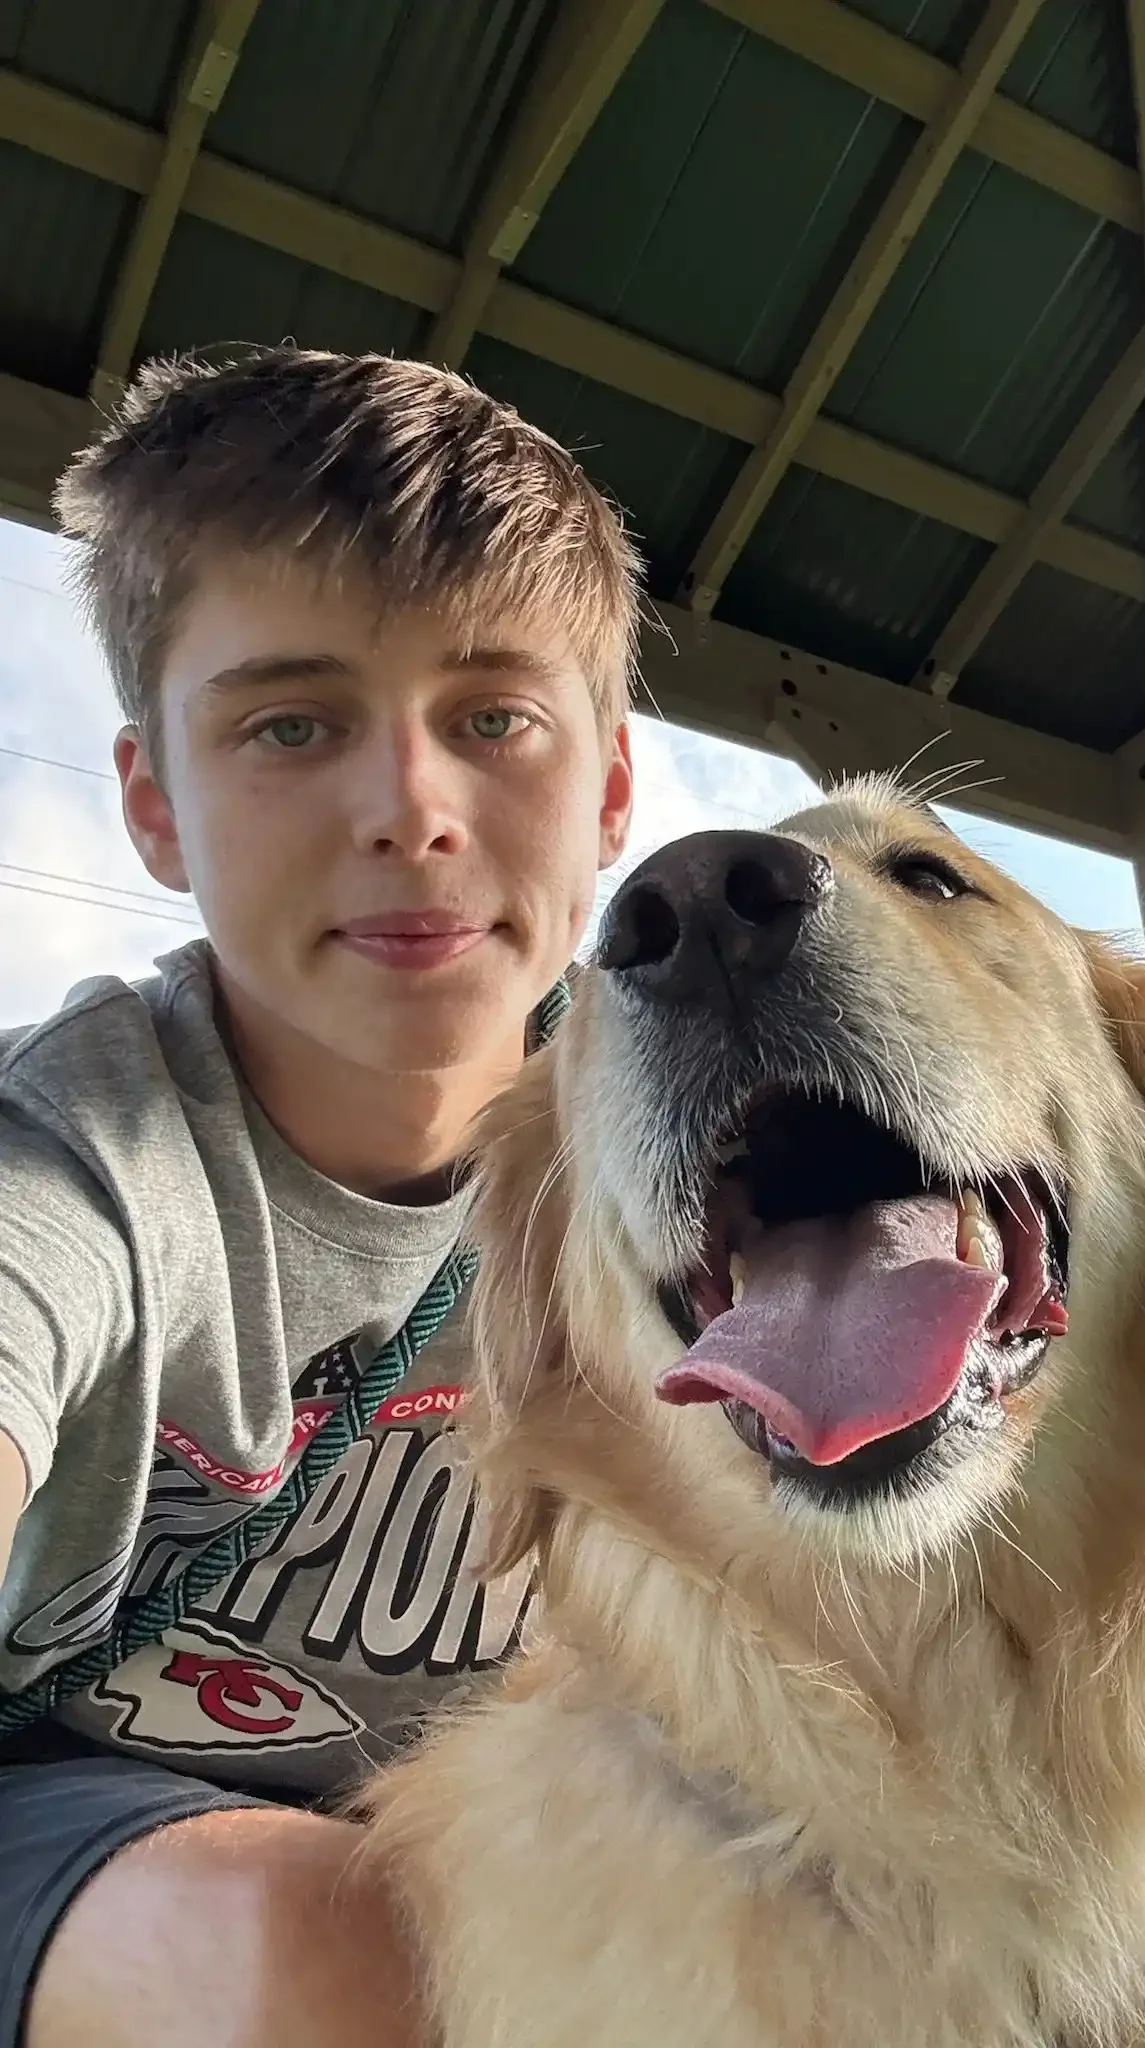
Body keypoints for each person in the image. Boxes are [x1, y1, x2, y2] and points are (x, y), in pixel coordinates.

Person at [0, 347, 640, 2048]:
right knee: (335, 1959)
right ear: (154, 802)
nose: (409, 811)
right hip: (79, 1823)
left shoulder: (708, 1169)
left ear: (615, 789)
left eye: (494, 717)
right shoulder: (75, 1159)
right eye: (292, 722)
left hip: (514, 1821)